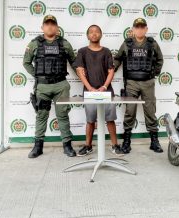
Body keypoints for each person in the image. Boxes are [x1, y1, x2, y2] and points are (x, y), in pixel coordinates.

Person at [23, 15, 77, 158]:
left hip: (61, 85)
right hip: (43, 86)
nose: (50, 26)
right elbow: (26, 62)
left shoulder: (64, 43)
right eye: (47, 24)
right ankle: (38, 147)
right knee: (41, 115)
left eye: (53, 24)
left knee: (63, 115)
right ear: (42, 27)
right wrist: (37, 74)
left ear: (57, 28)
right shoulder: (35, 43)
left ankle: (67, 145)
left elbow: (74, 62)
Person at [114, 18, 164, 154]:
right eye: (137, 27)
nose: (140, 29)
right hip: (131, 83)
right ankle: (126, 141)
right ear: (133, 29)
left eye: (142, 27)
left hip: (148, 82)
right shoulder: (127, 43)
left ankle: (154, 141)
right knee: (130, 111)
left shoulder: (152, 44)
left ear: (146, 29)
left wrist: (154, 73)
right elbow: (118, 58)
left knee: (150, 111)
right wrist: (111, 71)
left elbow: (160, 59)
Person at [74, 24, 123, 156]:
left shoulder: (106, 51)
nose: (94, 34)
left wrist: (104, 87)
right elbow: (80, 71)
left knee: (110, 119)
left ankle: (115, 145)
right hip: (89, 92)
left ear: (101, 35)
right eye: (91, 32)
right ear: (87, 35)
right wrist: (90, 88)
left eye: (97, 32)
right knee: (90, 120)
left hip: (106, 91)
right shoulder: (82, 52)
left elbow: (111, 71)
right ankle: (88, 146)